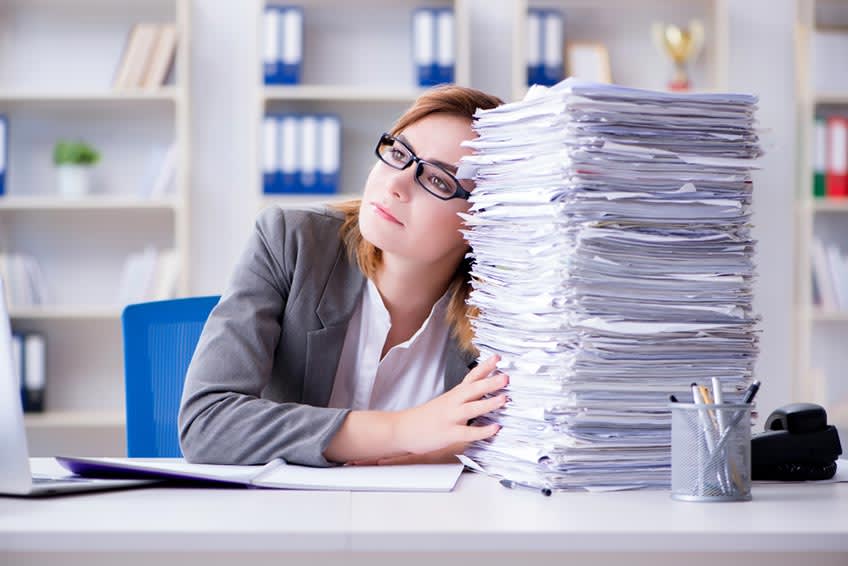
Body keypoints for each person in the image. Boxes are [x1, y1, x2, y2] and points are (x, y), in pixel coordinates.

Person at [178, 85, 507, 467]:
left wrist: (448, 450)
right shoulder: (292, 242)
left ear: (482, 219)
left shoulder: (505, 306)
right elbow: (207, 423)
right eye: (399, 154)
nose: (395, 185)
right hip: (286, 517)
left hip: (428, 521)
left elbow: (530, 446)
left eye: (436, 180)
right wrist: (402, 431)